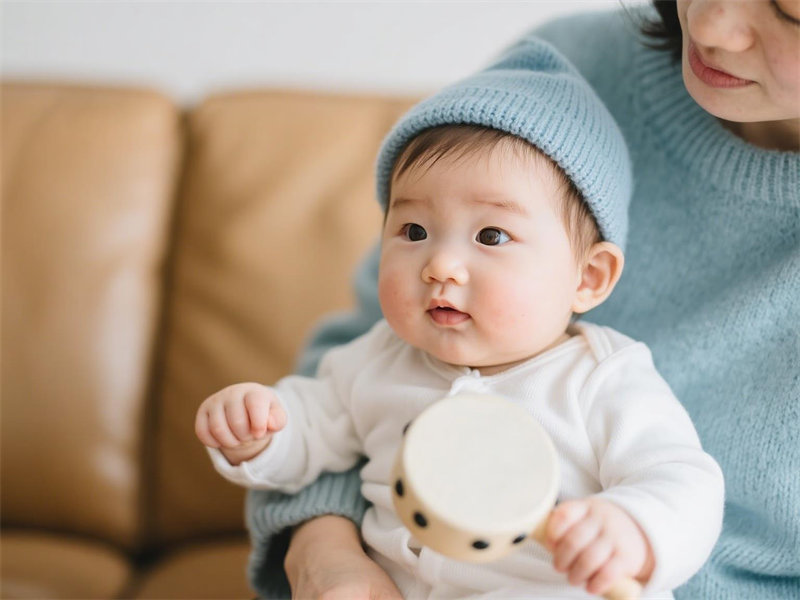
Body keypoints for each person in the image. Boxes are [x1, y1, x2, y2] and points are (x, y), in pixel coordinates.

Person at [244, 1, 800, 598]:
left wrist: (633, 531)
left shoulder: (601, 380)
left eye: (789, 11)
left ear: (591, 276)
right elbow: (315, 421)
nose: (710, 24)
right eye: (413, 232)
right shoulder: (554, 79)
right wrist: (274, 461)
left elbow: (678, 479)